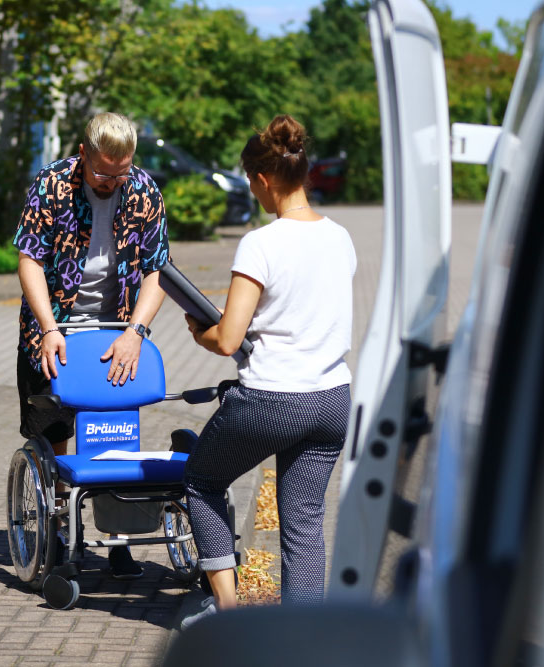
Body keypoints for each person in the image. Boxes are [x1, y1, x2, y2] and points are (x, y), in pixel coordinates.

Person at [179, 115, 356, 626]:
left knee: (202, 480)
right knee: (302, 522)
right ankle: (303, 642)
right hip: (331, 399)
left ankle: (229, 620)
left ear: (261, 180)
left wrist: (199, 331)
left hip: (274, 400)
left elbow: (227, 339)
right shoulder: (340, 237)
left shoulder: (262, 242)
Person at [13, 112, 169, 579]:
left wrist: (135, 333)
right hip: (55, 325)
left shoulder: (143, 192)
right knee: (57, 440)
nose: (111, 182)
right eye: (103, 172)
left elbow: (157, 271)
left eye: (120, 172)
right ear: (84, 154)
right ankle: (59, 530)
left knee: (112, 439)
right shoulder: (51, 186)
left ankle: (117, 537)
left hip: (116, 328)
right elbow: (29, 259)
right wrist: (48, 329)